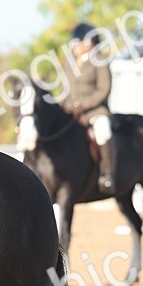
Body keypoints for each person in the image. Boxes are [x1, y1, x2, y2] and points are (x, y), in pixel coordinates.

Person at [61, 22, 115, 193]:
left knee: (103, 131)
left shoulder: (100, 61)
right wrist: (66, 106)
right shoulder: (69, 64)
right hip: (72, 112)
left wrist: (84, 105)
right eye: (74, 43)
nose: (75, 47)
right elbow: (65, 91)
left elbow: (103, 89)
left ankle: (107, 175)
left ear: (89, 42)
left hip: (95, 111)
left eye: (78, 43)